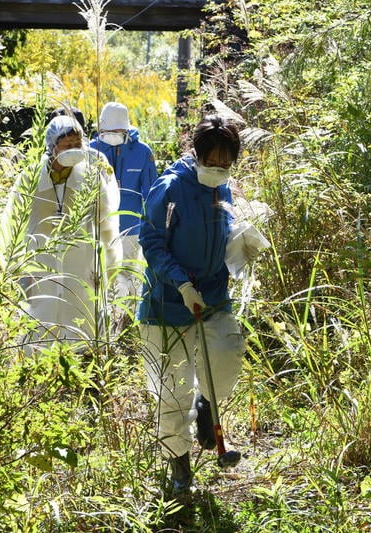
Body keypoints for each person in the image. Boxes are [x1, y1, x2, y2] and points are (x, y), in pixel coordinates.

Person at [137, 114, 263, 494]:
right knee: (171, 391)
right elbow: (152, 241)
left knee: (227, 351)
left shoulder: (221, 188)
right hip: (166, 303)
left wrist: (244, 245)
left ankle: (208, 405)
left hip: (212, 295)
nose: (220, 169)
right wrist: (179, 283)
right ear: (197, 154)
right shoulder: (170, 189)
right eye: (213, 161)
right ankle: (180, 466)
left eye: (227, 163)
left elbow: (222, 237)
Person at [0, 114, 122, 349]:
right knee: (39, 325)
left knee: (81, 324)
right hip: (40, 265)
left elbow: (107, 223)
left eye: (78, 145)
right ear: (52, 147)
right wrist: (16, 269)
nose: (74, 150)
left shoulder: (91, 177)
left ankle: (79, 373)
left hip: (81, 267)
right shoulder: (31, 178)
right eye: (67, 146)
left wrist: (107, 266)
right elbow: (11, 224)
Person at [90, 102, 158, 315]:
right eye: (107, 131)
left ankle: (127, 317)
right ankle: (102, 316)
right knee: (99, 272)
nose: (111, 135)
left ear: (126, 129)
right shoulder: (92, 150)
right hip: (99, 224)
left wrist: (151, 224)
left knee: (127, 273)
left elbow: (151, 192)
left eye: (116, 131)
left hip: (131, 225)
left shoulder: (142, 152)